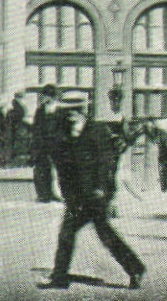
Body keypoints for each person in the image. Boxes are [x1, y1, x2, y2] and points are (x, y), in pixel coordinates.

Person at [39, 93, 146, 290]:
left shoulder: (97, 131)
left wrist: (103, 191)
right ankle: (60, 278)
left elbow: (106, 165)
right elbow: (64, 168)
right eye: (67, 112)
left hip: (96, 195)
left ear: (83, 112)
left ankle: (136, 269)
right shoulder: (65, 135)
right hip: (77, 197)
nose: (70, 116)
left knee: (105, 235)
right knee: (67, 234)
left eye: (75, 111)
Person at [29, 84, 63, 202]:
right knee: (41, 170)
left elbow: (62, 128)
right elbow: (36, 128)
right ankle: (43, 194)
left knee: (59, 170)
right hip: (42, 145)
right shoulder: (40, 110)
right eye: (43, 96)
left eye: (46, 96)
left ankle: (54, 193)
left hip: (56, 145)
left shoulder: (60, 110)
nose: (43, 98)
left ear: (52, 97)